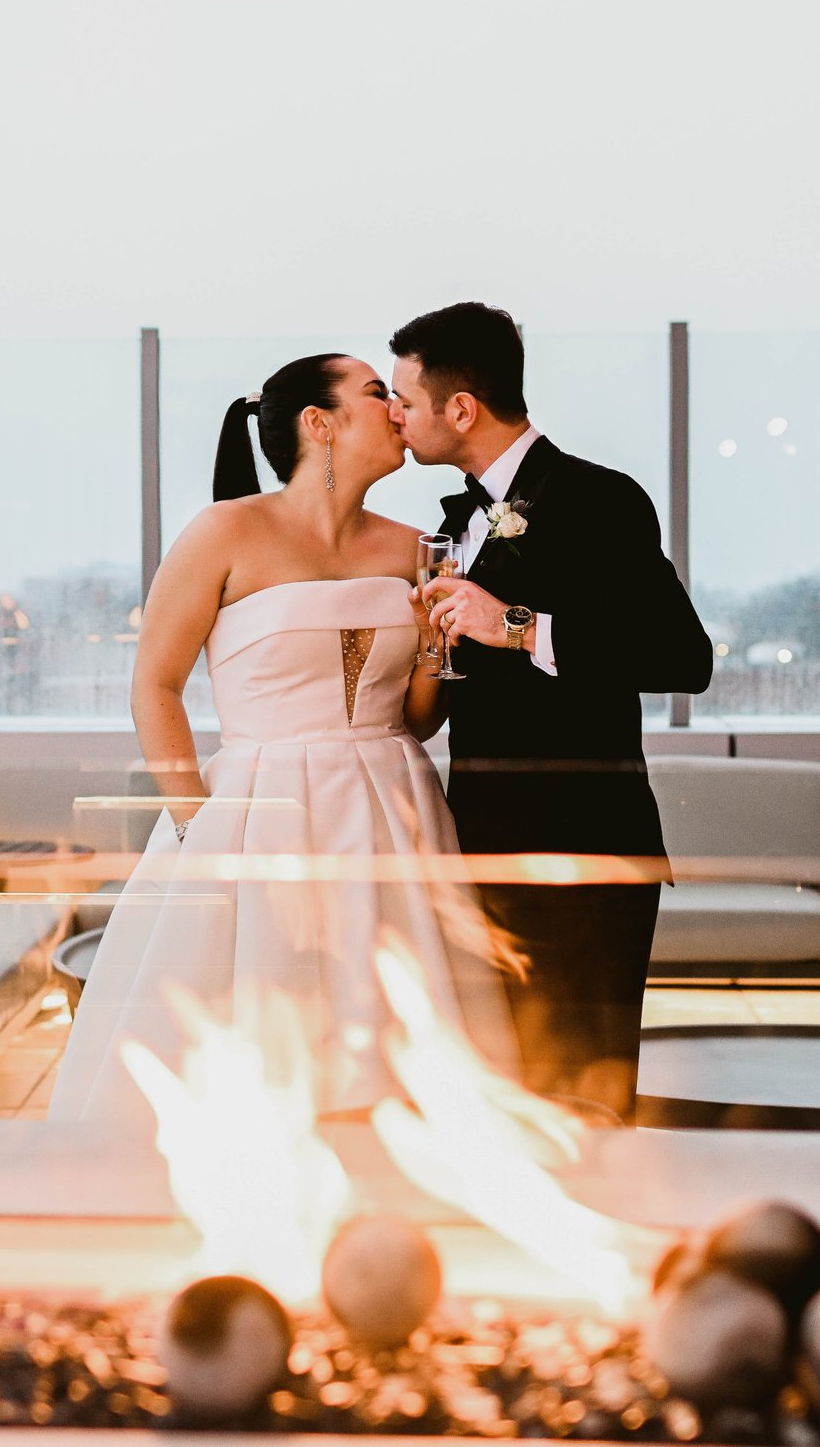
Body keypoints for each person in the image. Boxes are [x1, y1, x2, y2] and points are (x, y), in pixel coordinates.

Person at [48, 354, 518, 1125]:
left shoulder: (417, 546)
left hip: (393, 812)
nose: (398, 409)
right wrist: (197, 824)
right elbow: (154, 685)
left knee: (401, 1029)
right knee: (251, 1028)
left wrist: (440, 646)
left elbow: (420, 718)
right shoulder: (224, 532)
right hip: (256, 812)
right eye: (377, 394)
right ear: (318, 423)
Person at [390, 302, 714, 1122]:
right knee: (514, 1098)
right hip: (486, 854)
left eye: (404, 397)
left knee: (587, 1098)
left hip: (584, 859)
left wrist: (517, 625)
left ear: (459, 409)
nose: (395, 415)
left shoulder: (599, 498)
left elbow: (685, 659)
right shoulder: (455, 523)